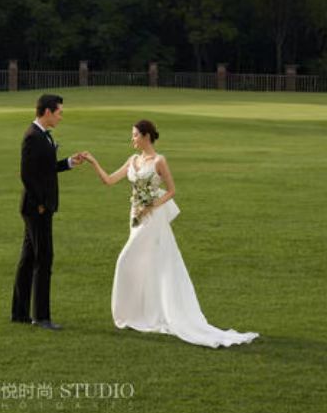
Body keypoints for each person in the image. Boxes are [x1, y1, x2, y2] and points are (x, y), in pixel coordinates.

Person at [85, 120, 258, 348]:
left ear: (146, 136)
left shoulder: (159, 161)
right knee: (146, 263)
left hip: (152, 219)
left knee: (125, 260)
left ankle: (135, 313)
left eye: (135, 135)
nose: (132, 139)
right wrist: (92, 161)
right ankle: (141, 313)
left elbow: (173, 190)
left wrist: (151, 205)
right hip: (135, 217)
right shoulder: (132, 160)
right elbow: (109, 180)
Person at [11, 93, 87, 331]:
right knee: (44, 259)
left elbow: (46, 169)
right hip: (37, 209)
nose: (60, 117)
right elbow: (26, 174)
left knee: (28, 259)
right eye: (59, 112)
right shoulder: (33, 137)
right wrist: (41, 203)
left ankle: (20, 313)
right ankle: (41, 317)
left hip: (38, 207)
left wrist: (69, 163)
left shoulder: (42, 136)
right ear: (47, 112)